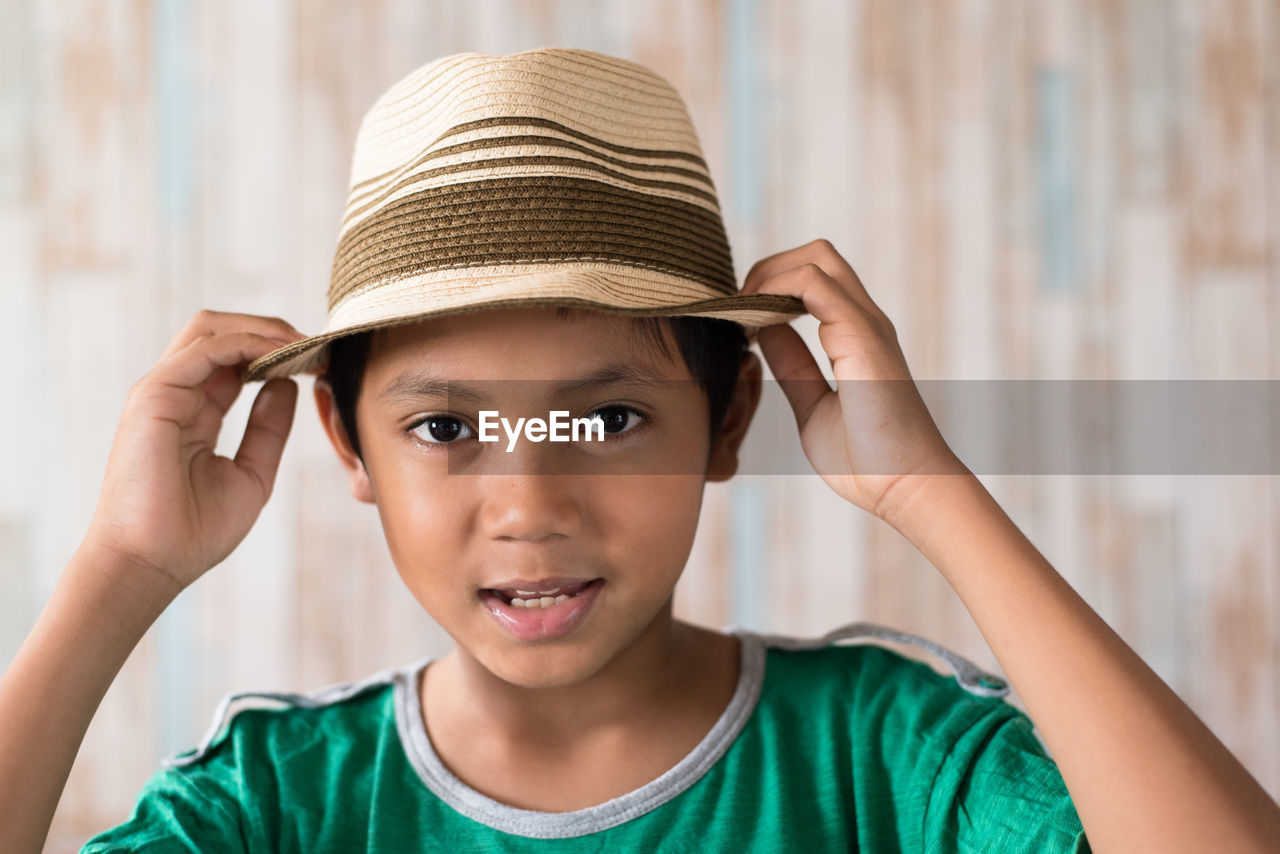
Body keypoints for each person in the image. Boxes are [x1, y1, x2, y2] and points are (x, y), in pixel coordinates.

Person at [2, 47, 1277, 854]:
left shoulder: (890, 757)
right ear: (348, 441)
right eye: (445, 429)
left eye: (607, 420)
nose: (529, 503)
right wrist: (120, 567)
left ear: (725, 424)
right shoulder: (274, 805)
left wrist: (928, 493)